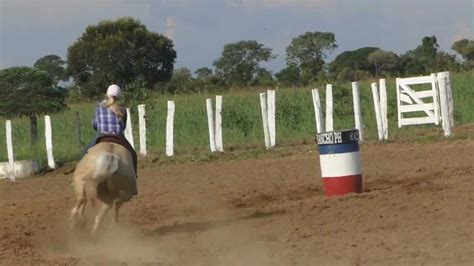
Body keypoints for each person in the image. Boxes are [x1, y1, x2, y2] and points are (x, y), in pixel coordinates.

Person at [84, 84, 138, 178]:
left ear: (107, 94)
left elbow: (95, 124)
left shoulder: (99, 107)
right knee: (133, 155)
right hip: (118, 137)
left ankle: (82, 176)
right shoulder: (122, 109)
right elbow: (123, 127)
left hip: (102, 136)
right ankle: (134, 176)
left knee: (85, 153)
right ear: (119, 95)